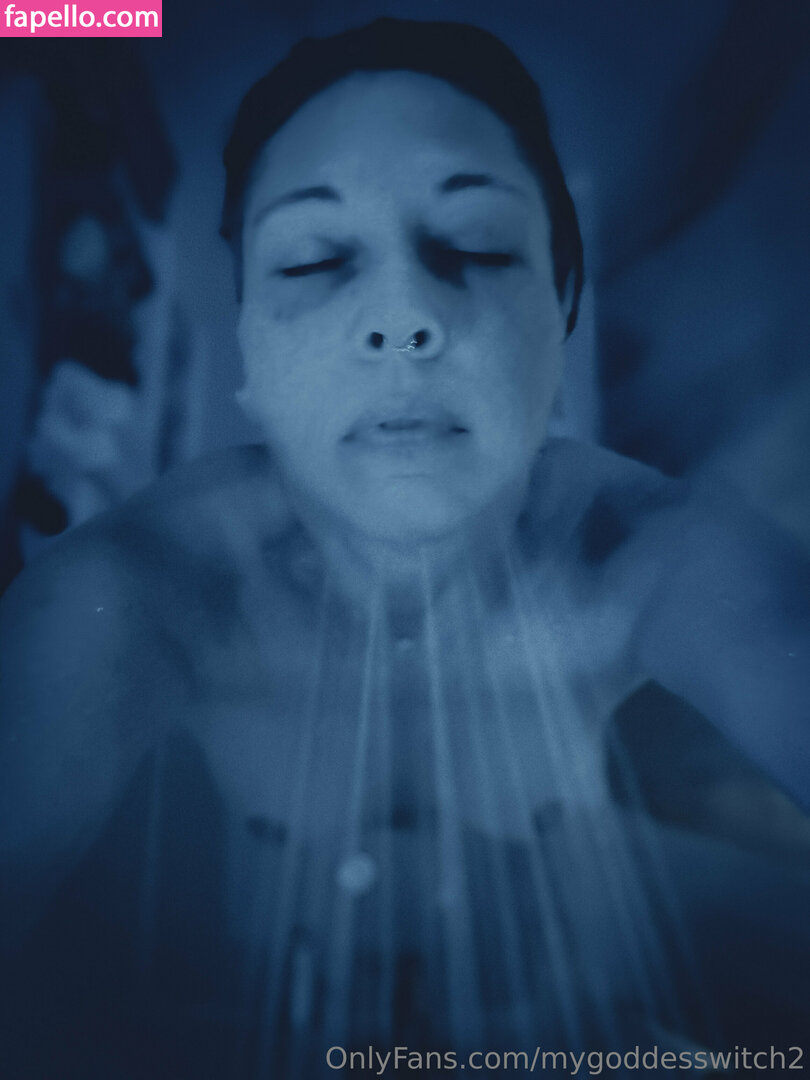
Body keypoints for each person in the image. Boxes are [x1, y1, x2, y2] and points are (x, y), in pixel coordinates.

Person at [1, 17, 809, 1079]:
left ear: (563, 302)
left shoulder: (654, 556)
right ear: (247, 342)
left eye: (477, 244)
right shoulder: (139, 592)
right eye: (313, 258)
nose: (402, 314)